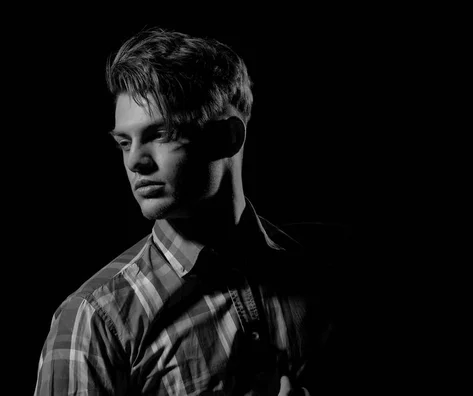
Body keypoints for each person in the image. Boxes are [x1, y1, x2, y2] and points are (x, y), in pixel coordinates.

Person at [34, 28, 349, 396]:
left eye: (160, 134)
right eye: (124, 142)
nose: (135, 160)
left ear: (229, 137)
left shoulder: (321, 275)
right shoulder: (95, 319)